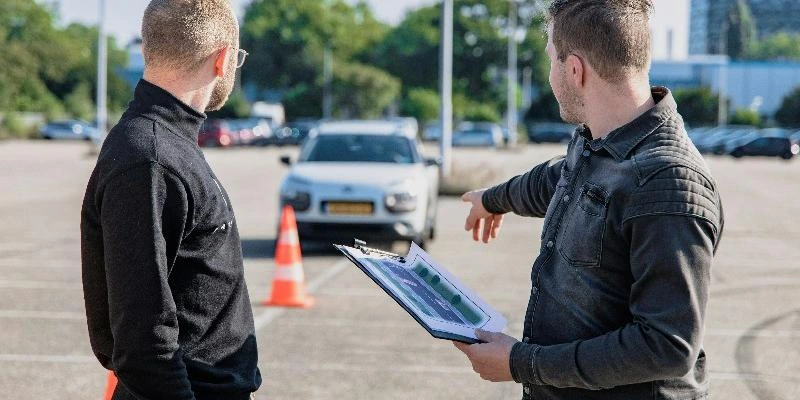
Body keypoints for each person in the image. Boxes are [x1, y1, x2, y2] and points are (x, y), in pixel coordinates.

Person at [454, 0, 724, 399]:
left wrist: (520, 363)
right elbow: (556, 178)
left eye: (551, 61)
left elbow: (667, 346)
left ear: (575, 69)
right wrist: (494, 199)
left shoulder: (669, 183)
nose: (550, 75)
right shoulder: (598, 142)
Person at [80, 1, 260, 399]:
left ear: (148, 49)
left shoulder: (166, 145)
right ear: (223, 59)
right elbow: (143, 345)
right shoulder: (149, 158)